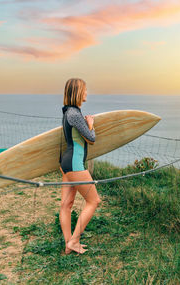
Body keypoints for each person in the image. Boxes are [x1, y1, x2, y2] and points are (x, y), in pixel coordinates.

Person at [59, 78, 101, 254]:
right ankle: (74, 241)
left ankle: (69, 245)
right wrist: (91, 124)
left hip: (66, 163)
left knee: (66, 205)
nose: (86, 93)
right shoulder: (75, 114)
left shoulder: (67, 112)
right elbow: (90, 139)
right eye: (84, 90)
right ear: (77, 92)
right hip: (75, 164)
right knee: (93, 201)